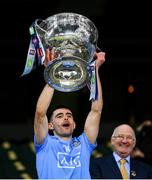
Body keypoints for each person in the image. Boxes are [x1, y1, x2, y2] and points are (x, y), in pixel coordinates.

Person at [34, 51, 105, 179]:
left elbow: (96, 110)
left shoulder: (84, 144)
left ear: (74, 125)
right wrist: (53, 73)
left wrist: (95, 70)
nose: (66, 117)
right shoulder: (45, 143)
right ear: (50, 125)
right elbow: (40, 113)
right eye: (59, 116)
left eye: (69, 115)